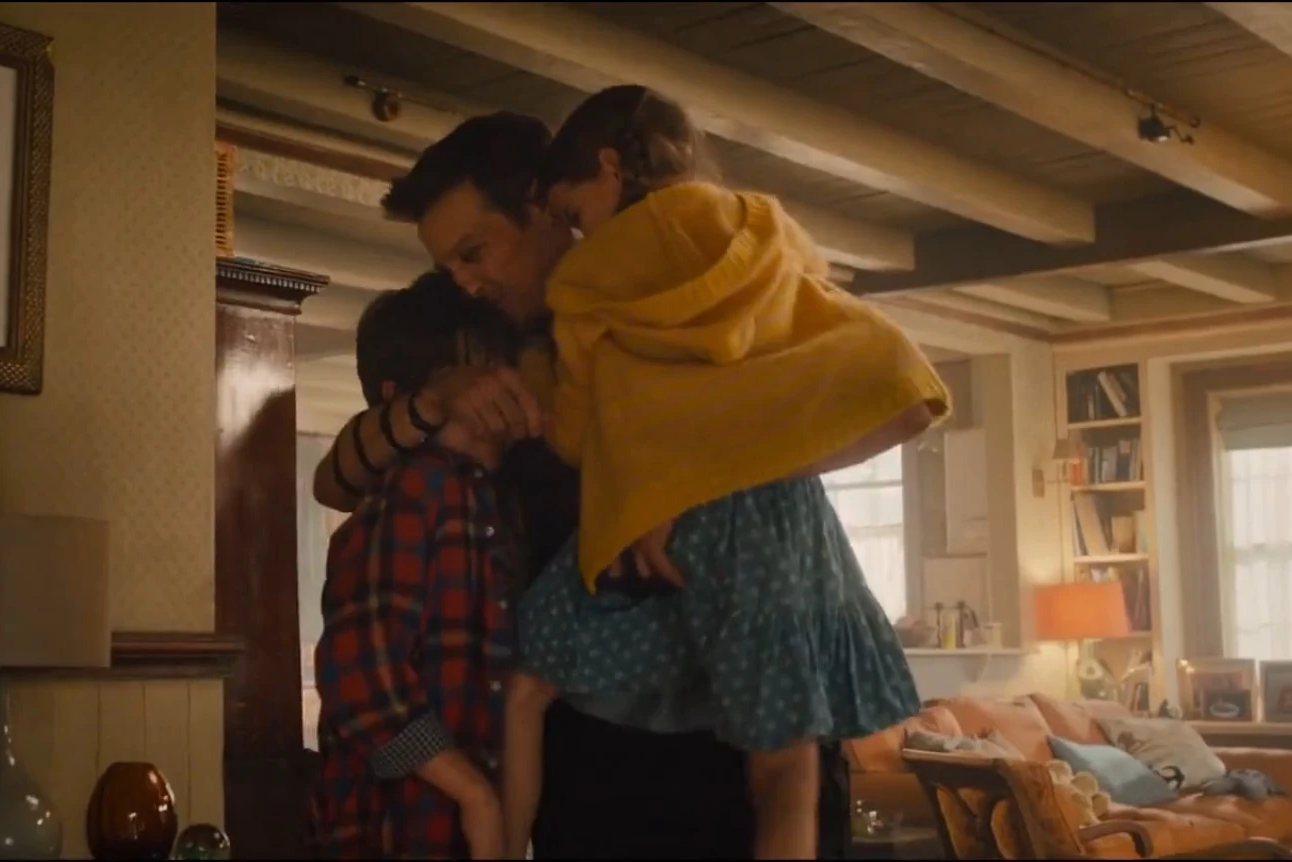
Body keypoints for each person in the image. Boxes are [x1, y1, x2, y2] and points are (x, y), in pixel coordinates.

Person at [309, 111, 862, 858]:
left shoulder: (689, 313)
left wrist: (674, 488)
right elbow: (338, 482)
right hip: (590, 763)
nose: (466, 281)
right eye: (450, 267)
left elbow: (847, 416)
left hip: (738, 734)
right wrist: (431, 402)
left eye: (476, 251)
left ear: (545, 211)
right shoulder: (501, 358)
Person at [495, 84, 944, 859]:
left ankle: (500, 848)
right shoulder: (767, 249)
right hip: (779, 531)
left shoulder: (591, 280)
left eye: (575, 211)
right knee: (785, 764)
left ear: (610, 167)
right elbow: (904, 393)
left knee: (531, 680)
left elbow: (575, 436)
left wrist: (540, 379)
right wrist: (755, 462)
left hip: (665, 527)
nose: (577, 231)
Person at [307, 272, 530, 860]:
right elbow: (358, 673)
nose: (499, 395)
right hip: (398, 826)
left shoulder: (490, 494)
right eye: (475, 379)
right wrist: (473, 794)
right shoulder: (419, 487)